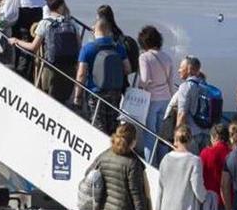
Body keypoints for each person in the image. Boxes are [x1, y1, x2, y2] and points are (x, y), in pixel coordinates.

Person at [9, 0, 79, 104]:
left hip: (50, 68)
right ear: (61, 6)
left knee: (48, 100)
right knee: (64, 101)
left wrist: (17, 41)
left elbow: (33, 47)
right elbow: (78, 47)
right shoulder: (72, 24)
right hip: (69, 67)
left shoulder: (45, 23)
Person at [74, 18, 130, 135]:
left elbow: (81, 74)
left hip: (95, 94)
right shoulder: (119, 47)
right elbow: (127, 69)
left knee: (97, 128)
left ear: (95, 31)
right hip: (115, 93)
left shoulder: (87, 48)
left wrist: (78, 96)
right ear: (109, 31)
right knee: (113, 127)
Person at [0, 0, 45, 78]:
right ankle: (28, 74)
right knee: (28, 42)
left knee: (21, 41)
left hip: (25, 10)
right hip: (36, 10)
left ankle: (21, 73)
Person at [137, 25, 174, 162]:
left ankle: (151, 166)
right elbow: (170, 82)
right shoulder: (167, 58)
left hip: (151, 101)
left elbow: (145, 79)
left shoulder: (144, 57)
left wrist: (140, 87)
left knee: (150, 137)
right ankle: (164, 165)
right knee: (162, 137)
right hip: (166, 100)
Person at [169, 56, 211, 153]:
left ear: (189, 69)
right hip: (206, 133)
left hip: (192, 135)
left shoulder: (185, 86)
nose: (179, 70)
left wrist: (176, 137)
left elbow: (181, 114)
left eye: (181, 67)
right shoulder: (205, 86)